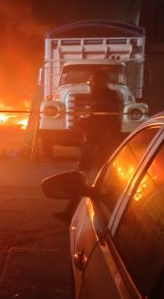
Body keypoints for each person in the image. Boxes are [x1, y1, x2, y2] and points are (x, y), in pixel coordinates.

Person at [53, 72, 123, 222]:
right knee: (93, 177)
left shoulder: (107, 98)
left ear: (100, 82)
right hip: (94, 141)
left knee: (91, 177)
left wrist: (86, 124)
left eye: (93, 83)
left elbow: (107, 121)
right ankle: (71, 211)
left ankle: (118, 213)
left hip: (100, 143)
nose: (91, 86)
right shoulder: (100, 96)